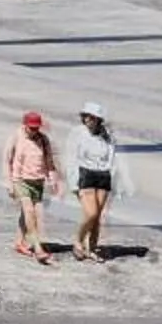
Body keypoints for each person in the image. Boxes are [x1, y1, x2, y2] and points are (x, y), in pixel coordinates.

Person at [1, 110, 65, 262]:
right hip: (20, 181)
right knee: (30, 212)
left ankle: (19, 243)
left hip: (37, 182)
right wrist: (8, 183)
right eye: (31, 128)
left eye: (37, 128)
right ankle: (37, 248)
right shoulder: (16, 137)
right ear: (25, 125)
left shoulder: (43, 140)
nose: (34, 131)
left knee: (28, 214)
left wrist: (53, 180)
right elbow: (6, 160)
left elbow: (49, 162)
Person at [71, 104, 125, 262]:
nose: (88, 119)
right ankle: (78, 241)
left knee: (98, 217)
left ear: (98, 119)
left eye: (92, 117)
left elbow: (112, 157)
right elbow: (73, 159)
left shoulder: (107, 135)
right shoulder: (79, 134)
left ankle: (92, 248)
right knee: (91, 213)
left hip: (103, 175)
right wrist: (74, 183)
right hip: (86, 173)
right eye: (86, 116)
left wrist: (112, 177)